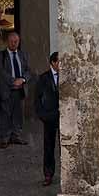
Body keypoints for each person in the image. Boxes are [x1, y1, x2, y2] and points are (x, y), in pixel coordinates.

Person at [0, 30, 30, 149]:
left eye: (16, 42)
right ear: (7, 42)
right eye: (11, 42)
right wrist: (13, 81)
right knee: (5, 114)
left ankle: (16, 135)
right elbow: (1, 72)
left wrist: (23, 79)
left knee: (18, 114)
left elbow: (28, 70)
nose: (14, 44)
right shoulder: (1, 56)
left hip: (20, 89)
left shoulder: (23, 54)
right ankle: (4, 138)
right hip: (7, 89)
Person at [35, 52, 60, 186]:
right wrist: (42, 115)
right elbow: (37, 98)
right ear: (53, 63)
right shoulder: (43, 78)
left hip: (62, 116)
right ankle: (48, 174)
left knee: (65, 147)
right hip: (49, 117)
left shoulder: (65, 76)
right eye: (60, 62)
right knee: (49, 146)